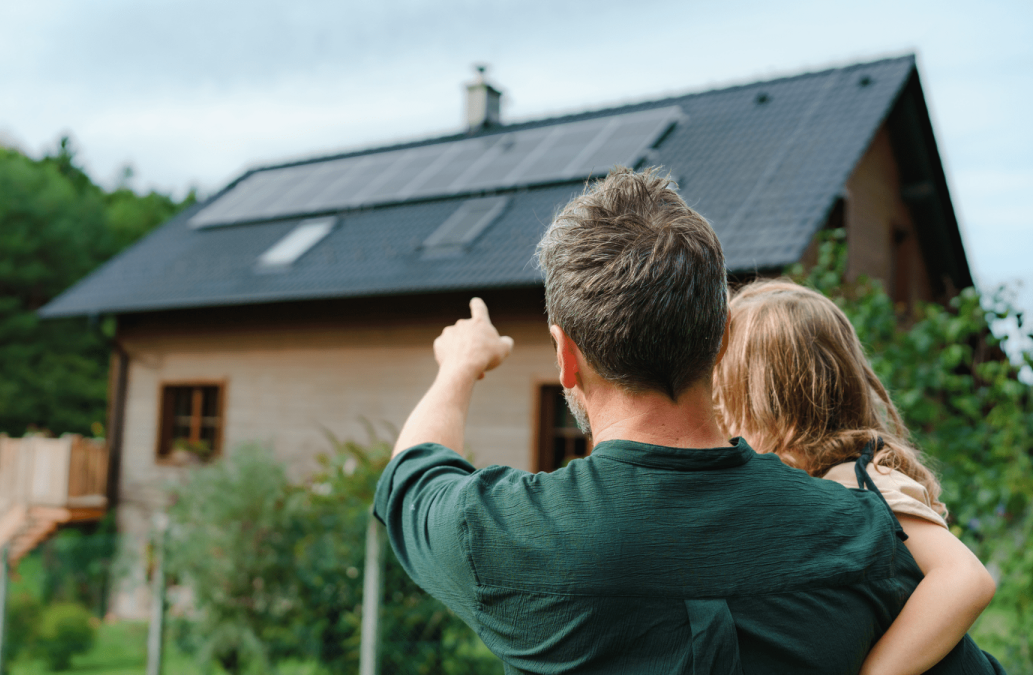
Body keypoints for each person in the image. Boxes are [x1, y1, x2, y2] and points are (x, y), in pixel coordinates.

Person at [373, 167, 1001, 673]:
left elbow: (412, 472)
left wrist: (460, 366)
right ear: (719, 339)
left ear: (567, 357)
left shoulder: (503, 532)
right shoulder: (862, 534)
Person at [713, 278, 1004, 674]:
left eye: (723, 396)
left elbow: (966, 579)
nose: (719, 415)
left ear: (766, 401)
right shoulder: (818, 482)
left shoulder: (862, 481)